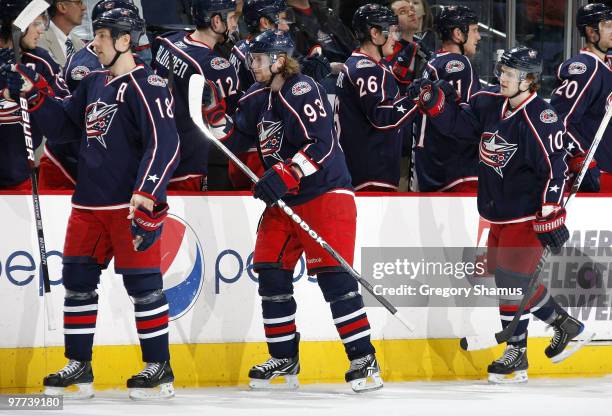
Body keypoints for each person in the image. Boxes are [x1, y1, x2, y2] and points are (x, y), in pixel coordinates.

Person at [1, 6, 180, 399]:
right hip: (88, 206)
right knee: (78, 285)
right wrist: (32, 94)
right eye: (95, 34)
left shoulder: (147, 84)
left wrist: (147, 193)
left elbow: (165, 143)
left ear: (123, 40)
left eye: (101, 35)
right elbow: (64, 127)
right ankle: (79, 366)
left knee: (144, 288)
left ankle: (158, 367)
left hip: (128, 206)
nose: (94, 42)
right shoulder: (93, 83)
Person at [204, 29, 382, 392]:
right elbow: (233, 143)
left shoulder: (302, 89)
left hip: (324, 193)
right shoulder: (256, 98)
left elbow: (321, 144)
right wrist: (210, 119)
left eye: (258, 59)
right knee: (270, 272)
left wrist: (285, 172)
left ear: (279, 60)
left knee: (336, 281)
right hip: (284, 200)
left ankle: (364, 359)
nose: (252, 66)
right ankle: (284, 358)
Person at [416, 46, 592, 383]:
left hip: (526, 216)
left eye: (510, 74)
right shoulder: (488, 103)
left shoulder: (541, 117)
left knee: (511, 284)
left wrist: (550, 212)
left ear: (529, 80)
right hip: (497, 211)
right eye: (502, 71)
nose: (503, 78)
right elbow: (460, 128)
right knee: (511, 282)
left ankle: (516, 353)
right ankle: (564, 325)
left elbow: (554, 171)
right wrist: (436, 103)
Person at [40, 0, 140, 191]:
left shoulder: (127, 62)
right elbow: (89, 124)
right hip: (67, 164)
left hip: (96, 166)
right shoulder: (86, 68)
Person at [151, 0, 241, 191]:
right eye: (232, 17)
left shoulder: (166, 40)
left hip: (155, 153)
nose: (234, 24)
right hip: (187, 161)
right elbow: (230, 125)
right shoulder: (214, 67)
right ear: (216, 21)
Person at [335, 3, 418, 192]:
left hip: (362, 171)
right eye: (392, 31)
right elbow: (382, 116)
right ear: (374, 33)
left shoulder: (363, 64)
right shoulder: (367, 69)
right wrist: (416, 100)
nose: (395, 38)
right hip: (370, 176)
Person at [0, 0, 70, 191]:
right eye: (36, 24)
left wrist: (36, 94)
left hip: (20, 178)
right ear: (17, 25)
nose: (41, 31)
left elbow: (63, 118)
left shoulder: (40, 62)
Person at [412, 5, 481, 192]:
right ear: (458, 33)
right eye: (474, 30)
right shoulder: (457, 63)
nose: (479, 37)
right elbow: (462, 121)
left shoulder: (433, 62)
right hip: (456, 169)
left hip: (431, 166)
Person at [228, 0, 292, 189]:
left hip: (241, 146)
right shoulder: (260, 56)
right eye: (281, 19)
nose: (285, 25)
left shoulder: (241, 47)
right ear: (265, 22)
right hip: (257, 150)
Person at [550, 3, 612, 192]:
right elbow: (558, 121)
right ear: (591, 32)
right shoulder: (584, 68)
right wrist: (580, 155)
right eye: (608, 26)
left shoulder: (606, 64)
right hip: (597, 175)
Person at [38, 0, 87, 67]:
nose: (84, 7)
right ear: (62, 7)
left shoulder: (81, 44)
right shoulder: (38, 40)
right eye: (78, 2)